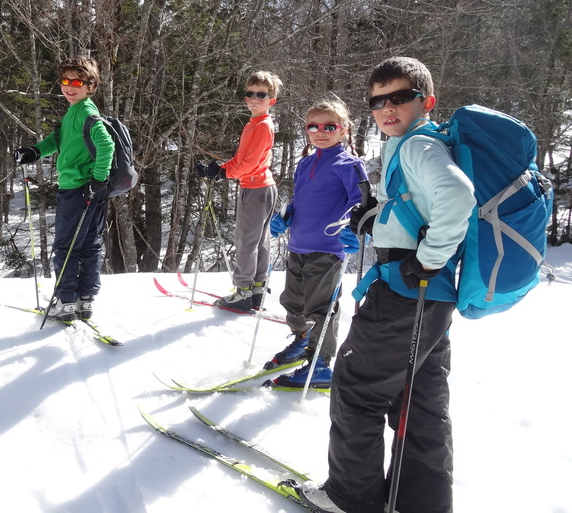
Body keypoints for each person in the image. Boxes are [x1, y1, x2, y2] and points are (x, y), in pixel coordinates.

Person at [300, 57, 476, 513]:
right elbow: (418, 206)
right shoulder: (418, 143)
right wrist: (375, 216)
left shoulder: (418, 146)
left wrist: (427, 259)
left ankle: (349, 498)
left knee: (356, 387)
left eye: (400, 97)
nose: (387, 108)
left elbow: (456, 195)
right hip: (432, 299)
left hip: (404, 290)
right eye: (378, 102)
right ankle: (421, 502)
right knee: (420, 401)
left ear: (427, 102)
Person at [264, 98, 367, 390]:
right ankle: (303, 340)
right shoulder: (306, 162)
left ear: (344, 130)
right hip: (299, 244)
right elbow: (300, 200)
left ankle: (320, 363)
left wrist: (355, 228)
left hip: (329, 248)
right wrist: (285, 216)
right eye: (313, 127)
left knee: (321, 307)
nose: (320, 132)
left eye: (329, 127)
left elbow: (360, 203)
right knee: (293, 301)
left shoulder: (349, 164)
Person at [13, 56, 115, 322]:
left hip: (79, 188)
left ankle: (66, 301)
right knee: (89, 244)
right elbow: (57, 140)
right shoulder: (75, 112)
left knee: (66, 246)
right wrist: (33, 151)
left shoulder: (86, 113)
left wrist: (98, 178)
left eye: (77, 82)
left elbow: (106, 145)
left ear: (91, 86)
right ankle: (85, 299)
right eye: (65, 81)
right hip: (90, 189)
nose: (69, 86)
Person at [196, 71, 281, 311]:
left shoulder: (262, 126)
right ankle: (257, 289)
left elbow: (249, 163)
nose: (254, 99)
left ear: (271, 100)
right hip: (261, 186)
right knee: (259, 241)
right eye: (250, 94)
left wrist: (226, 173)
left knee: (246, 241)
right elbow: (241, 159)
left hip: (255, 188)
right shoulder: (255, 124)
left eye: (261, 95)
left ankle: (244, 291)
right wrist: (218, 169)